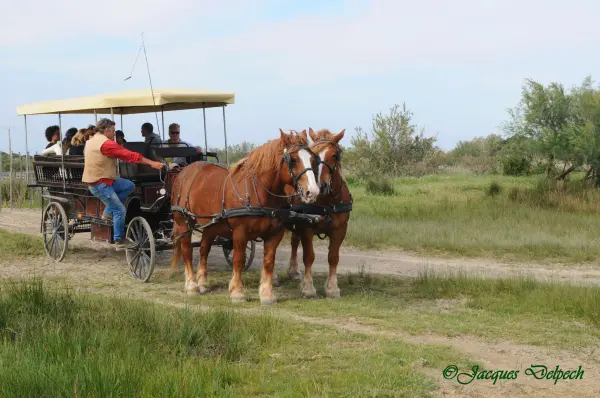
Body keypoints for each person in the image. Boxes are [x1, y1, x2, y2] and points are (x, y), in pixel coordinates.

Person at [82, 118, 163, 250]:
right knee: (120, 210)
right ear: (107, 130)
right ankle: (119, 240)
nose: (114, 133)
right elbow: (129, 155)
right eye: (113, 131)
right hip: (100, 184)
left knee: (129, 186)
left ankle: (108, 212)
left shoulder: (92, 140)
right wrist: (152, 163)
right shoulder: (106, 144)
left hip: (106, 180)